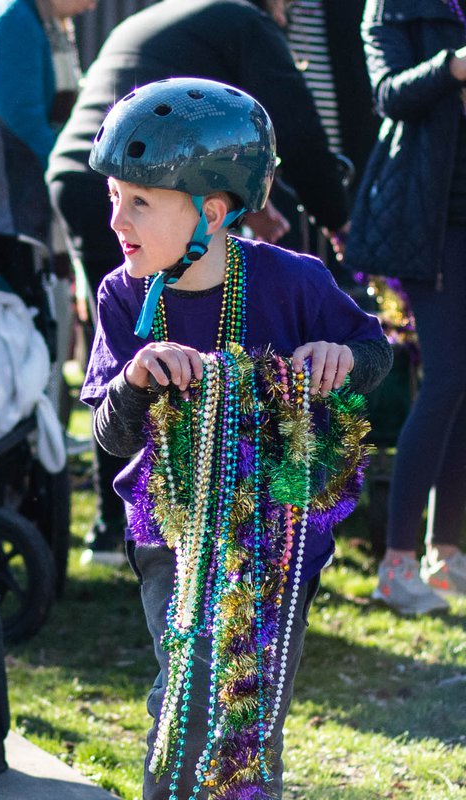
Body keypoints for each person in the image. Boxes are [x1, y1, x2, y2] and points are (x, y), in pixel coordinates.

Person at [80, 78, 390, 798]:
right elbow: (109, 436)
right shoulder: (124, 294)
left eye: (140, 202)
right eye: (114, 197)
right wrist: (135, 380)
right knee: (187, 698)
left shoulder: (294, 281)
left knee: (253, 712)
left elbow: (371, 352)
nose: (117, 218)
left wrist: (341, 361)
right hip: (172, 534)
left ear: (213, 213)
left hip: (280, 533)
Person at [47, 0, 354, 565]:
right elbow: (300, 131)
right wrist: (339, 216)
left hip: (118, 180)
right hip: (155, 184)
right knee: (122, 356)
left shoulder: (174, 16)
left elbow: (367, 349)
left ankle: (108, 532)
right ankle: (127, 519)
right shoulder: (247, 23)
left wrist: (242, 209)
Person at [348, 0, 466, 615]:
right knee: (446, 378)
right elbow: (389, 94)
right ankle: (396, 565)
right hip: (432, 217)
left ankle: (444, 555)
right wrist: (453, 66)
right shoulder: (393, 7)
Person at [0, 0, 92, 166]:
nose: (92, 6)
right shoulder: (15, 16)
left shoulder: (35, 15)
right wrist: (64, 170)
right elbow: (23, 120)